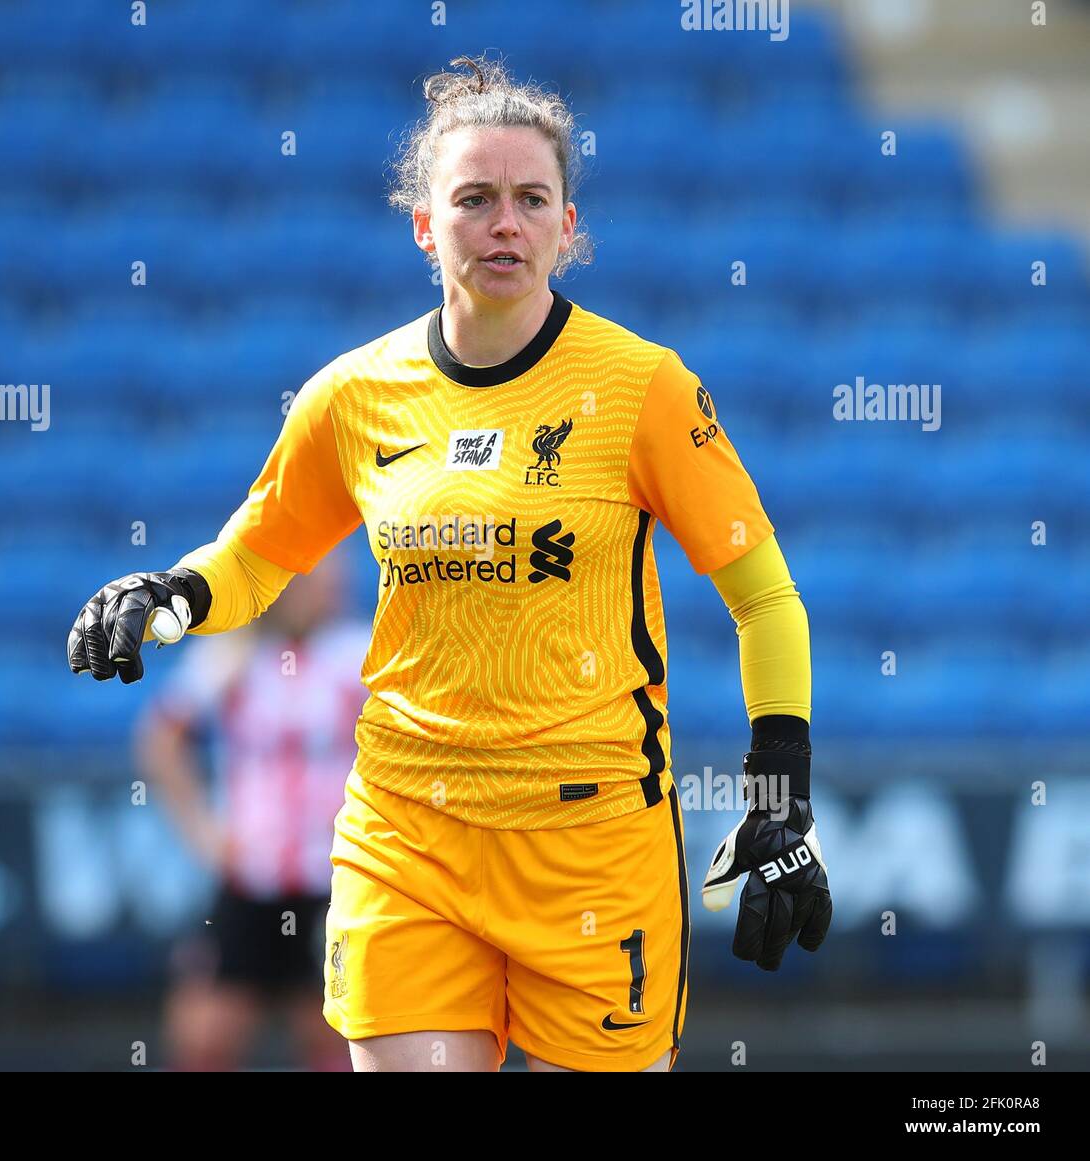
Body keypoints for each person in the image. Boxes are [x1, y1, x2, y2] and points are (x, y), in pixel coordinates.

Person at [69, 53, 832, 1073]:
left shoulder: (643, 388)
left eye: (530, 199)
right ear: (426, 225)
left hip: (591, 841)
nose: (503, 223)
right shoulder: (349, 396)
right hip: (406, 835)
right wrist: (166, 598)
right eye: (474, 199)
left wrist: (778, 796)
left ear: (568, 227)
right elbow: (255, 561)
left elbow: (764, 599)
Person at [135, 550, 367, 1072]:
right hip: (250, 877)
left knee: (334, 1033)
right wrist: (203, 832)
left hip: (331, 878)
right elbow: (160, 738)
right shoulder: (233, 657)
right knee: (203, 1033)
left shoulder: (361, 656)